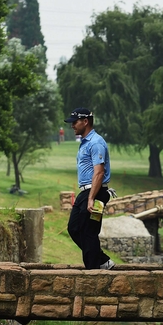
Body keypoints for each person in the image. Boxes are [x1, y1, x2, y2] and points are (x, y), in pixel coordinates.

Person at [64, 107, 115, 270]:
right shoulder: (86, 142)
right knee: (74, 228)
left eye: (75, 122)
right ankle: (102, 261)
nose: (72, 125)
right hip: (86, 192)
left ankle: (93, 271)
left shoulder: (96, 142)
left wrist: (92, 198)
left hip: (96, 192)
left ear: (85, 122)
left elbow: (99, 173)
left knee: (88, 232)